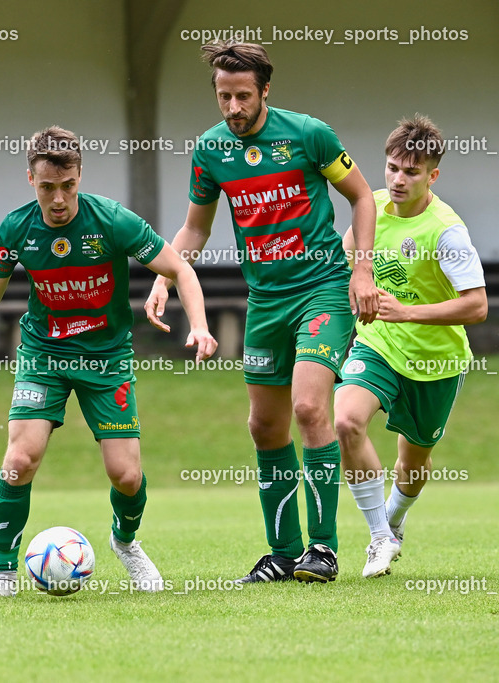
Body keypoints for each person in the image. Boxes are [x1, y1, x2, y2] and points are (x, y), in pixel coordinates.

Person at [0, 126, 218, 599]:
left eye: (67, 186)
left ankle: (125, 542)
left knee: (126, 475)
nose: (58, 199)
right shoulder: (16, 228)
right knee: (20, 461)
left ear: (80, 177)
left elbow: (179, 268)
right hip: (45, 355)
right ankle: (2, 574)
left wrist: (200, 325)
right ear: (31, 180)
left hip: (106, 358)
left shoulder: (113, 221)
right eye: (47, 187)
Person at [147, 41, 380, 584]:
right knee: (264, 425)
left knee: (308, 409)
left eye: (243, 96)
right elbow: (197, 228)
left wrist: (362, 270)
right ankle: (282, 553)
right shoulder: (210, 150)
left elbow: (363, 198)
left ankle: (323, 550)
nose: (233, 107)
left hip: (322, 288)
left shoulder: (309, 135)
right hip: (266, 302)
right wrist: (164, 277)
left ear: (266, 91)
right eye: (224, 96)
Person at [335, 115, 487, 579]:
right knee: (345, 419)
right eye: (393, 168)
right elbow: (348, 272)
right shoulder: (370, 211)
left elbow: (477, 306)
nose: (399, 179)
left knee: (413, 457)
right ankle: (379, 535)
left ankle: (394, 522)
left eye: (412, 171)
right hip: (378, 345)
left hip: (435, 359)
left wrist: (407, 312)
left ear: (432, 176)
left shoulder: (446, 231)